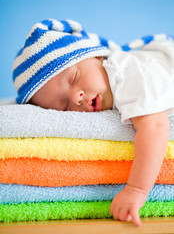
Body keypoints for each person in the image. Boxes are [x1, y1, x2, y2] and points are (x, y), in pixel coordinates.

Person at [13, 19, 174, 226]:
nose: (75, 97)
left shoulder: (125, 71)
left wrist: (136, 189)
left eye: (73, 79)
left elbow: (155, 126)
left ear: (96, 56)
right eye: (63, 106)